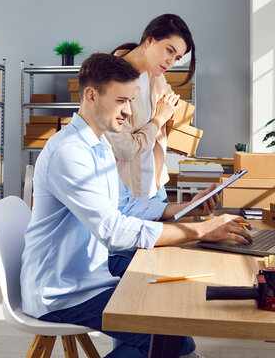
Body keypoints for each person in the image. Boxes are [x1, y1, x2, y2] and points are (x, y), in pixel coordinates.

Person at [20, 53, 252, 358]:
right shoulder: (69, 152)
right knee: (168, 336)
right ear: (91, 95)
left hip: (91, 267)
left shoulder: (99, 143)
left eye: (130, 100)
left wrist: (186, 210)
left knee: (172, 301)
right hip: (63, 290)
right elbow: (113, 230)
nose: (129, 111)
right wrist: (199, 231)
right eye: (121, 100)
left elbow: (124, 204)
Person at [105, 13, 196, 203]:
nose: (171, 62)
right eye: (169, 50)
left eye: (177, 57)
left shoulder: (156, 75)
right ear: (149, 40)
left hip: (156, 186)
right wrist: (159, 120)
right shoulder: (112, 80)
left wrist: (175, 136)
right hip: (127, 194)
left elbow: (171, 109)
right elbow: (124, 149)